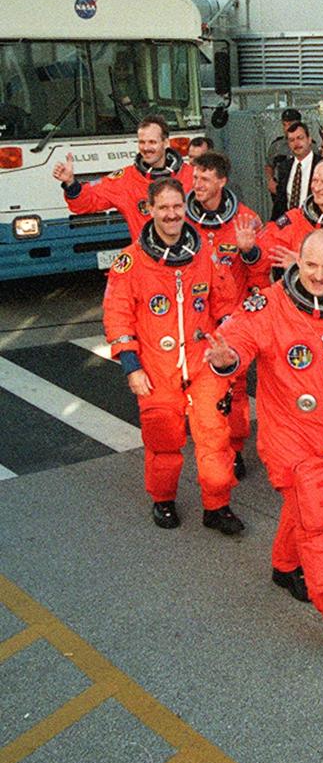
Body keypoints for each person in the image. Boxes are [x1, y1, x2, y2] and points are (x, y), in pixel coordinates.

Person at [204, 229, 323, 651]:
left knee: (303, 507)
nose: (318, 275)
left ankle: (283, 565)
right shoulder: (270, 305)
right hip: (288, 436)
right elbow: (239, 338)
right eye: (310, 265)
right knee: (320, 513)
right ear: (297, 261)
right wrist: (227, 359)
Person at [101, 178, 242, 534]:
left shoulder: (203, 256)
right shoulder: (130, 262)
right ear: (149, 210)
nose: (171, 214)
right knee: (163, 441)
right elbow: (117, 315)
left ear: (186, 207)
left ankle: (217, 506)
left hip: (202, 363)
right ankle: (163, 500)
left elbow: (225, 303)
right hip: (156, 367)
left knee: (215, 438)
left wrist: (226, 343)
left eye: (177, 207)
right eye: (163, 208)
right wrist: (131, 366)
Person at [186, 150, 264, 478]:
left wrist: (250, 252)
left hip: (232, 320)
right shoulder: (185, 218)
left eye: (205, 179)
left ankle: (234, 447)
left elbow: (260, 277)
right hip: (196, 319)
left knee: (234, 388)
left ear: (221, 181)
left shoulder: (245, 219)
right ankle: (212, 447)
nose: (197, 184)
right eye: (194, 178)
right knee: (200, 388)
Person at [53, 114, 194, 240]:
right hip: (149, 262)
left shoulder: (192, 176)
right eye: (141, 142)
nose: (146, 148)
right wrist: (70, 183)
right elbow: (85, 202)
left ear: (166, 143)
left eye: (152, 142)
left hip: (192, 260)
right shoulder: (125, 180)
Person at [254, 159, 323, 286]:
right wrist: (250, 250)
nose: (317, 187)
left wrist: (302, 265)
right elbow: (264, 254)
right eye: (315, 181)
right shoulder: (294, 220)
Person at [265, 109, 323, 218]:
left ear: (309, 140)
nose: (296, 143)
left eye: (300, 138)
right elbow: (280, 205)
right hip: (288, 225)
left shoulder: (319, 165)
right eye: (292, 140)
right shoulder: (284, 167)